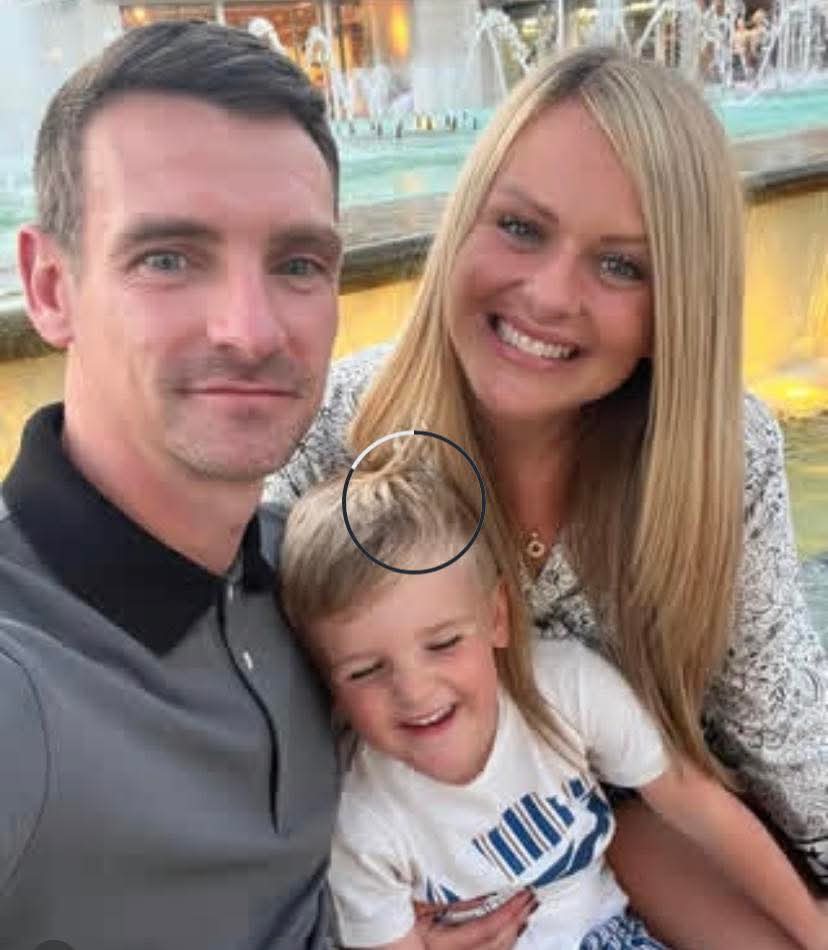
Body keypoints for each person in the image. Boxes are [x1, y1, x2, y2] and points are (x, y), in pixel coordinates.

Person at [265, 45, 828, 947]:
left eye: (622, 266)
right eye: (522, 228)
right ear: (464, 220)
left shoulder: (722, 454)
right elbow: (237, 726)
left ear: (677, 305)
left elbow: (787, 738)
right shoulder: (336, 429)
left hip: (649, 835)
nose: (548, 295)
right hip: (429, 879)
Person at [0, 21, 345, 949]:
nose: (251, 329)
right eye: (167, 258)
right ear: (50, 287)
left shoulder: (308, 574)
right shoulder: (18, 680)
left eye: (298, 264)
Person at [279, 465, 827, 949]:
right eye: (365, 671)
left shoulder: (565, 689)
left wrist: (815, 933)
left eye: (443, 643)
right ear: (326, 683)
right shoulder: (362, 820)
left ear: (496, 618)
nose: (414, 691)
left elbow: (698, 804)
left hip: (613, 930)